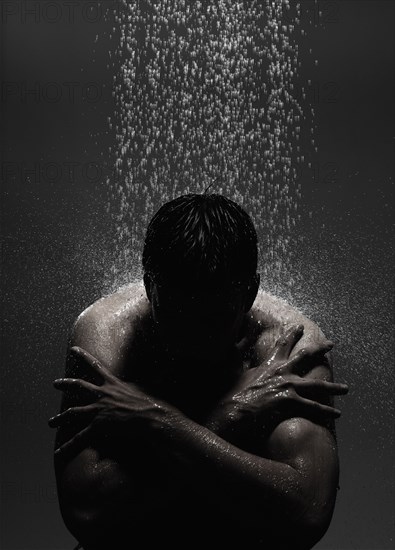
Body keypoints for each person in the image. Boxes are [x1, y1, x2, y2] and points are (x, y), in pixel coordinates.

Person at [49, 193, 348, 550]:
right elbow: (85, 513)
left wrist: (159, 423)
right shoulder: (106, 333)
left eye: (213, 320)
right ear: (149, 288)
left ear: (250, 293)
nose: (191, 341)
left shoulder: (289, 349)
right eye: (174, 317)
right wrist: (229, 412)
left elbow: (308, 512)